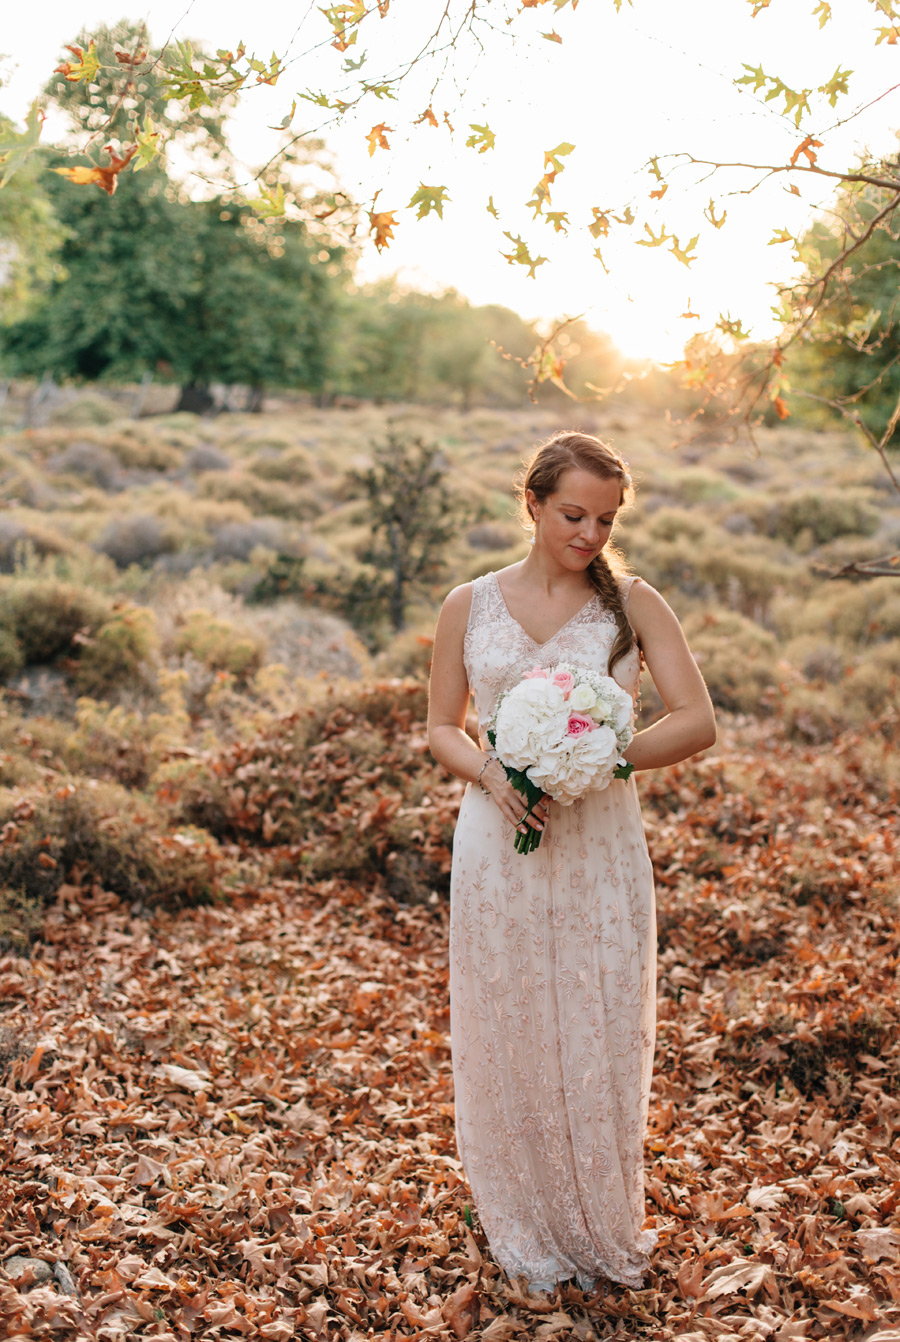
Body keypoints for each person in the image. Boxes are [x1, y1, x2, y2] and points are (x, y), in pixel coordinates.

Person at [427, 430, 716, 1294]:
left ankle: (597, 1219)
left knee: (595, 1019)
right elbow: (443, 725)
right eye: (573, 514)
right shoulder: (467, 604)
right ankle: (520, 1219)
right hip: (496, 838)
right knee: (508, 1019)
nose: (590, 534)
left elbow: (695, 721)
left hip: (597, 842)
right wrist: (491, 769)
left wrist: (605, 761)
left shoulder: (632, 603)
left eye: (606, 518)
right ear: (534, 504)